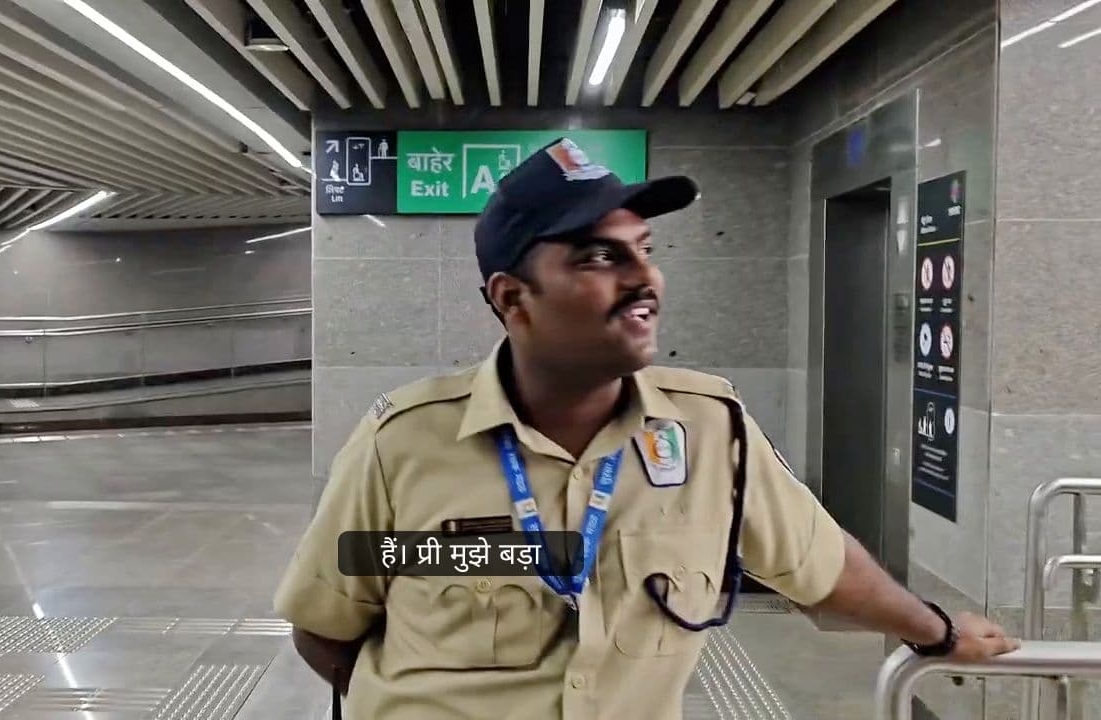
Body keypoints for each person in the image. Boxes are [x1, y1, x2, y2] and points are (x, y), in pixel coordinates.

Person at [274, 138, 1018, 719]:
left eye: (646, 251)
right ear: (513, 298)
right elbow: (324, 627)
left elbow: (821, 565)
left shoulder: (708, 430)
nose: (644, 278)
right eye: (600, 256)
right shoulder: (403, 442)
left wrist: (937, 631)